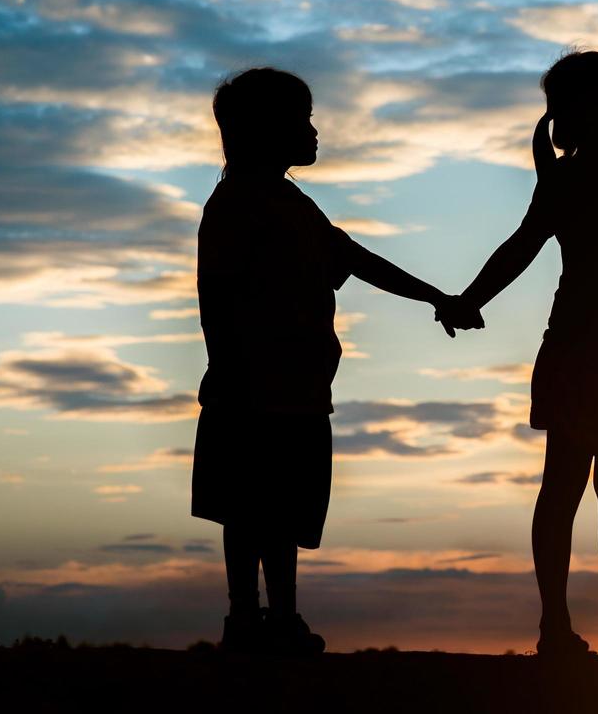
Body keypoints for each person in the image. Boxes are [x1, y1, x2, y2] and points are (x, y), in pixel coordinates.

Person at [192, 66, 480, 655]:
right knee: (252, 511)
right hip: (251, 387)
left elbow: (356, 258)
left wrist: (437, 298)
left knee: (281, 512)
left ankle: (279, 619)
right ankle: (247, 617)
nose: (314, 131)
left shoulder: (289, 203)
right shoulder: (242, 202)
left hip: (294, 388)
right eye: (301, 119)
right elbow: (220, 301)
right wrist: (233, 370)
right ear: (266, 129)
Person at [441, 50, 598, 658]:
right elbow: (521, 249)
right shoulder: (581, 189)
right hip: (586, 357)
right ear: (594, 109)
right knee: (573, 488)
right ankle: (563, 628)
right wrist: (467, 298)